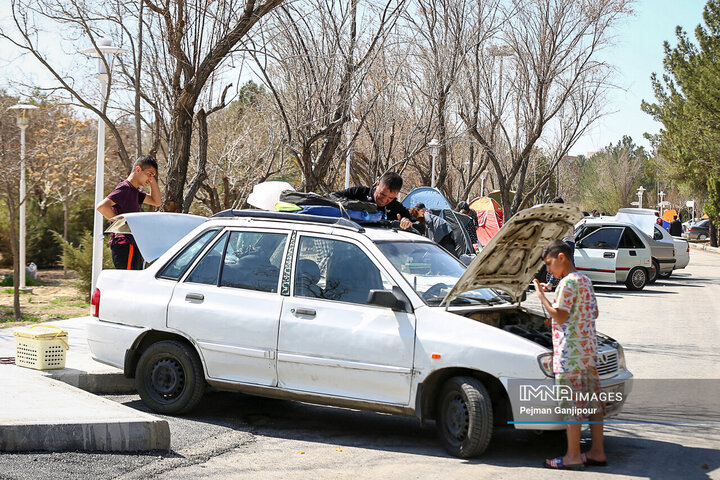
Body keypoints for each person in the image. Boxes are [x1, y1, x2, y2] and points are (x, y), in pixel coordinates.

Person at [533, 240, 606, 471]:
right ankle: (597, 452)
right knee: (594, 404)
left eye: (549, 263)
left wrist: (541, 296)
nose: (548, 269)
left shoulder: (566, 283)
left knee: (573, 407)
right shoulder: (584, 280)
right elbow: (592, 312)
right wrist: (556, 315)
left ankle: (573, 456)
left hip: (569, 357)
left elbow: (561, 317)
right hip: (588, 353)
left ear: (562, 257)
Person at [96, 155, 162, 270]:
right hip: (125, 244)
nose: (151, 178)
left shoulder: (134, 191)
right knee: (127, 284)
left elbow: (156, 201)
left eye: (153, 175)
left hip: (132, 244)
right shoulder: (125, 188)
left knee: (131, 284)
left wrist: (152, 180)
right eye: (149, 174)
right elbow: (102, 207)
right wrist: (123, 226)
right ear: (138, 169)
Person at [333, 172, 414, 230]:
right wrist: (353, 206)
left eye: (390, 198)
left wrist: (407, 223)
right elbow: (330, 197)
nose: (384, 200)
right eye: (382, 194)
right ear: (378, 184)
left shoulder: (396, 208)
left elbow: (419, 226)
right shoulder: (358, 193)